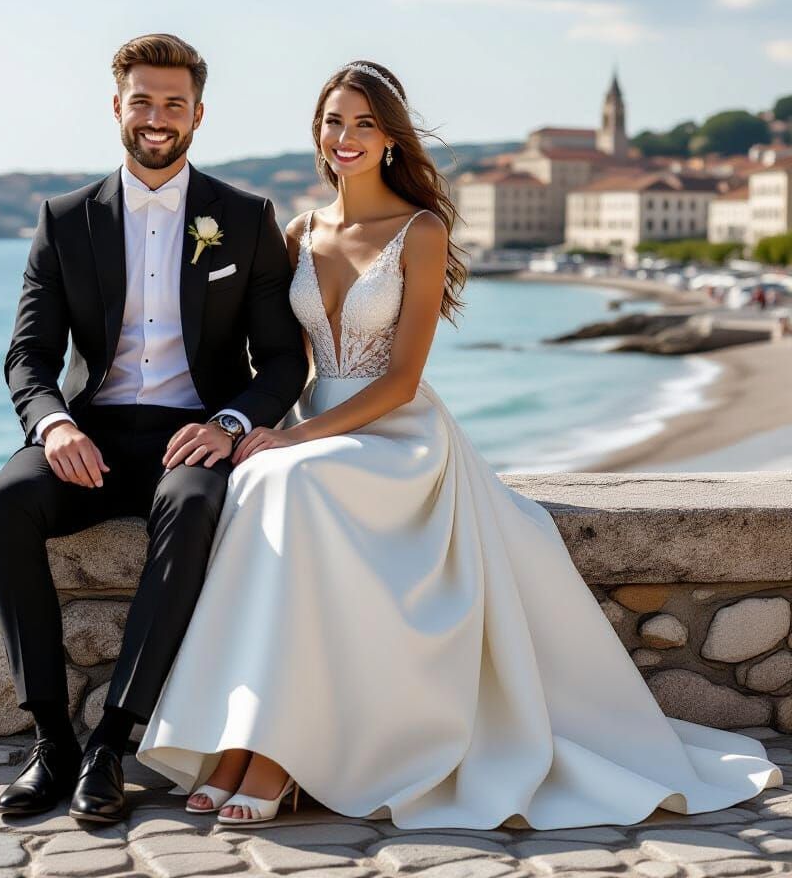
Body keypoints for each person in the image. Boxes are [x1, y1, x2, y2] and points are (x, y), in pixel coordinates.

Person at [135, 61, 782, 830]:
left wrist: (295, 436)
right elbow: (283, 359)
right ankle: (242, 741)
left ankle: (277, 754)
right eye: (333, 121)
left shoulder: (421, 230)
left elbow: (402, 381)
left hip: (396, 436)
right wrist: (233, 421)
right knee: (262, 483)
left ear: (389, 140)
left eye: (364, 124)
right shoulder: (301, 231)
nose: (344, 137)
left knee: (290, 481)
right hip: (315, 429)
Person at [0, 33, 308, 822]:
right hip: (88, 432)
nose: (156, 118)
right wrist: (54, 425)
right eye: (142, 101)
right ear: (116, 107)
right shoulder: (64, 221)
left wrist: (230, 423)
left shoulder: (247, 218)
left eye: (173, 103)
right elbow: (28, 355)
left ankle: (112, 743)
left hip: (191, 435)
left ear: (198, 114)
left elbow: (283, 364)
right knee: (5, 503)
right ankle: (53, 741)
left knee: (193, 506)